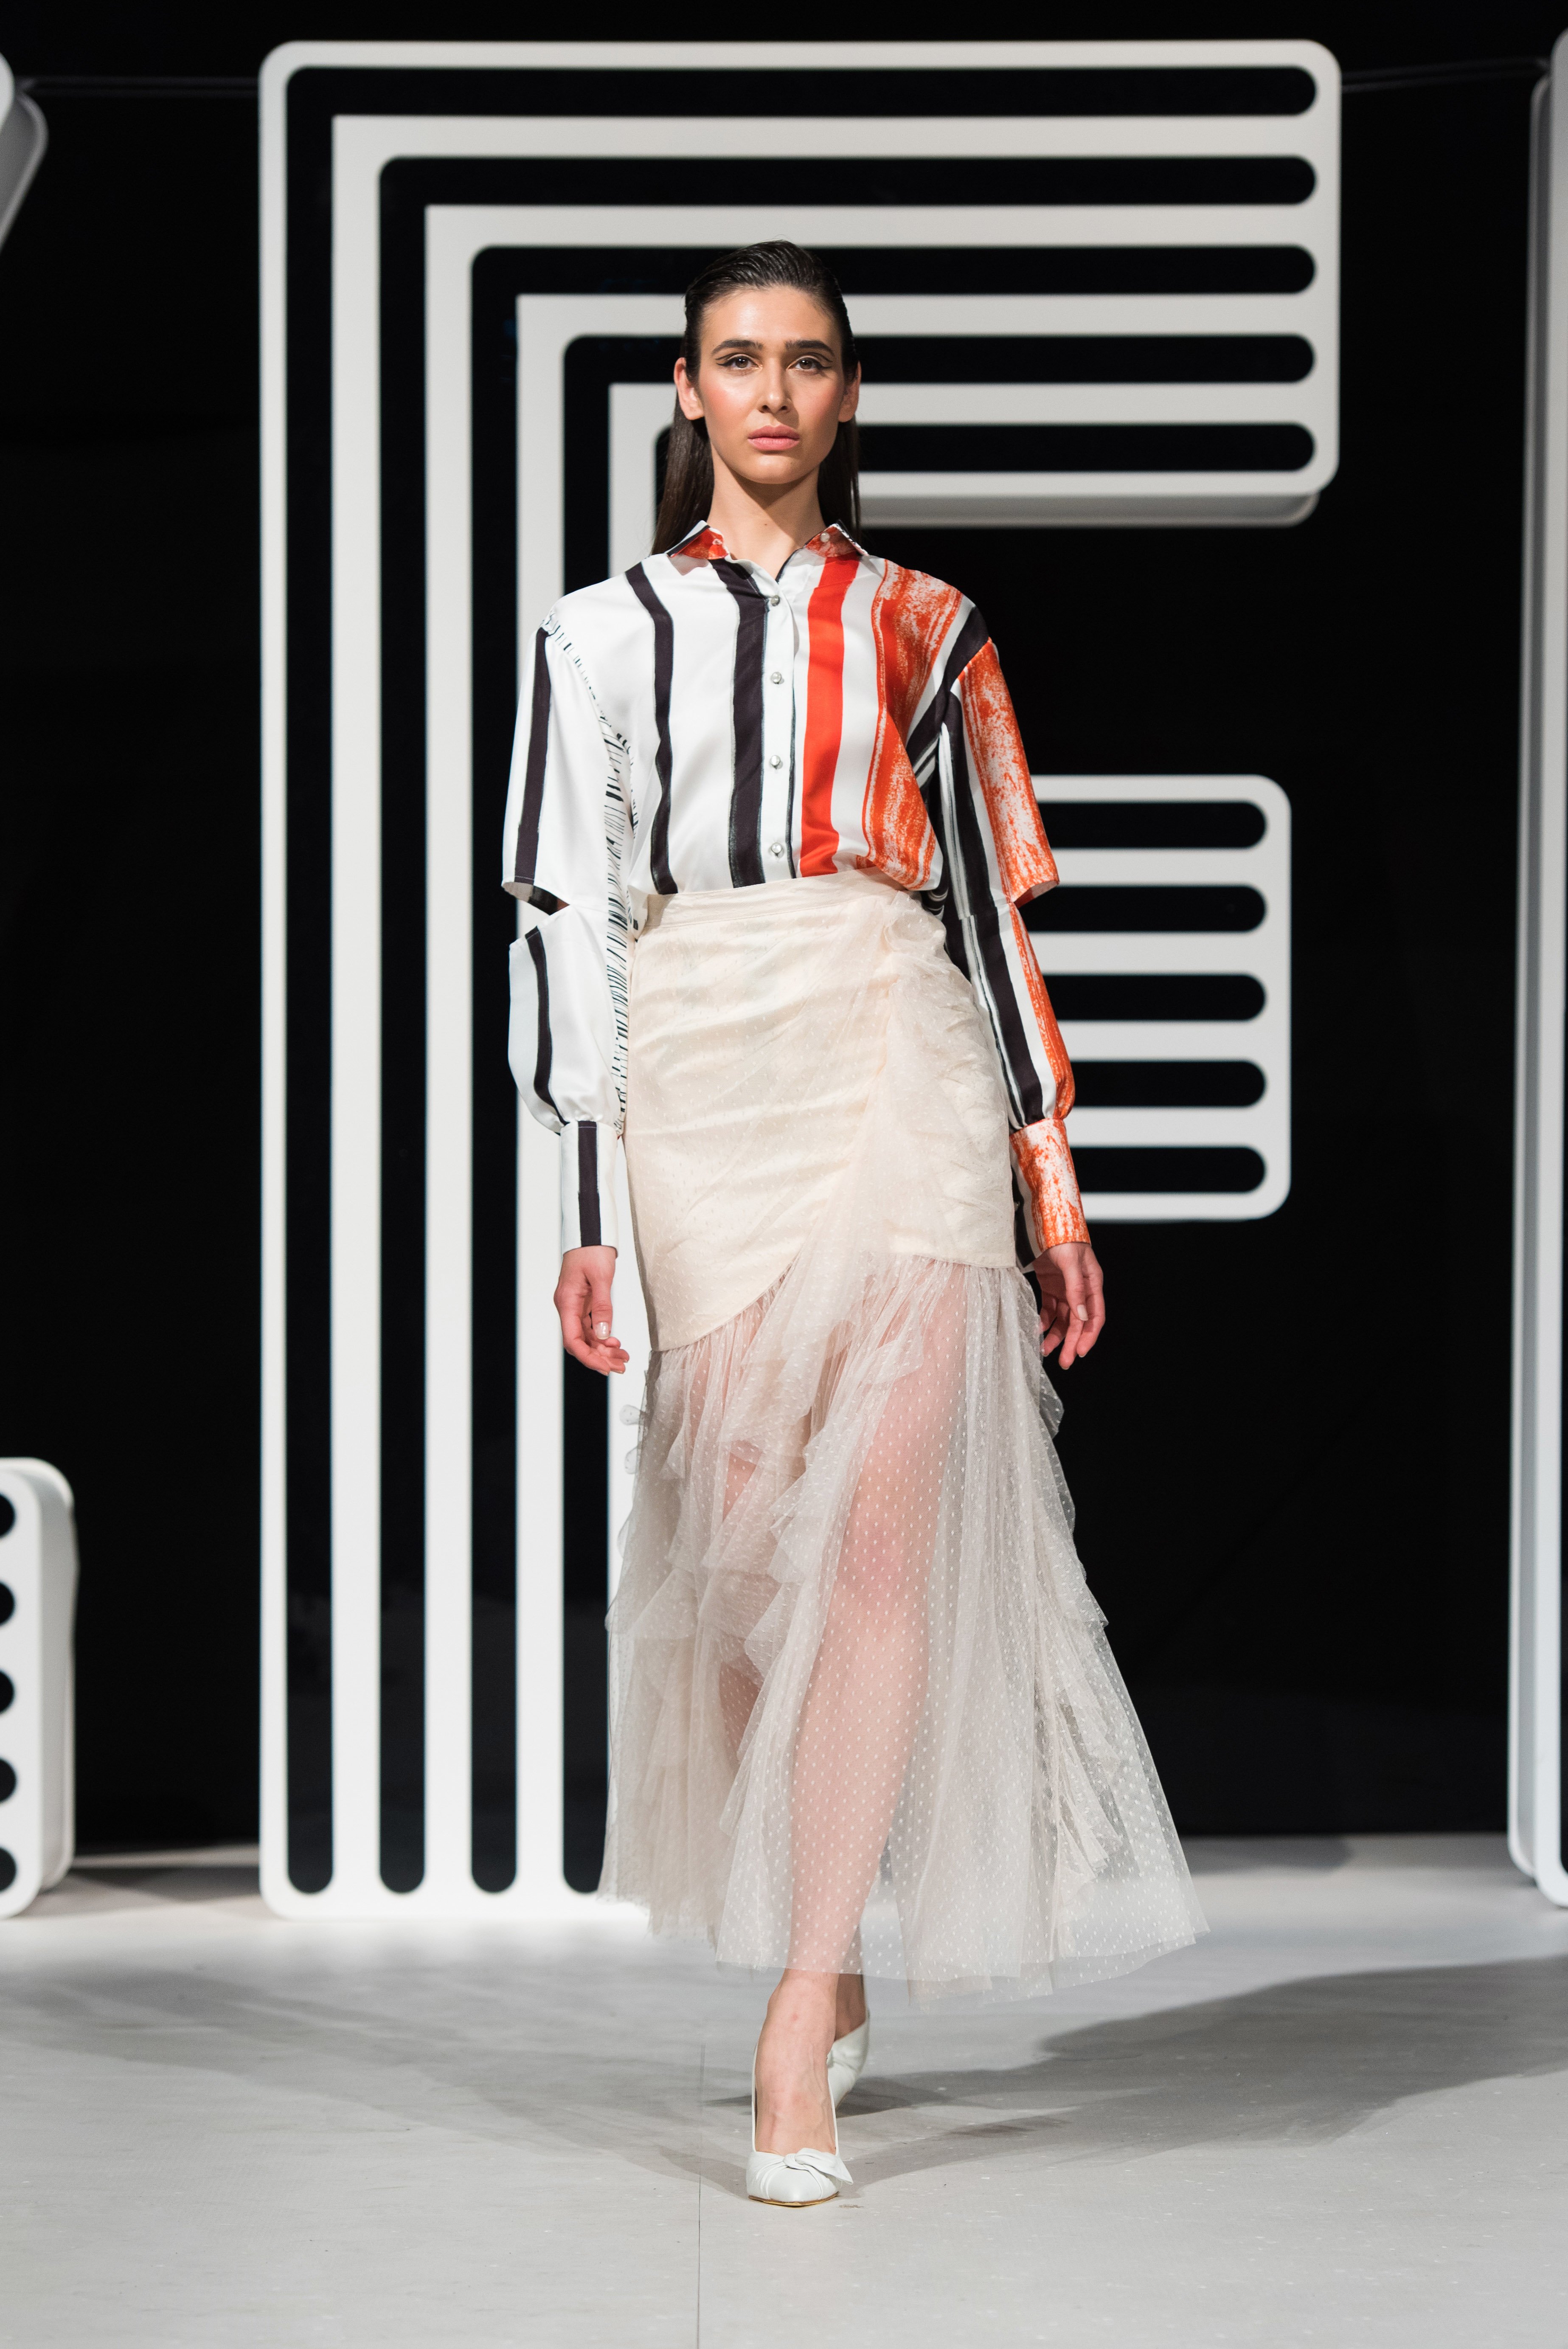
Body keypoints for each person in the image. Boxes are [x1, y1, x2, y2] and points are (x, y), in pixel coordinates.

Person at [502, 241, 1204, 2206]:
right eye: (738, 359)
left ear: (848, 393)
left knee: (883, 1535)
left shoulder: (931, 626)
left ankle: (801, 1999)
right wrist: (586, 1205)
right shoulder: (597, 636)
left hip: (894, 1038)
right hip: (702, 1063)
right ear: (685, 387)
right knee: (744, 1554)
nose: (773, 393)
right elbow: (570, 920)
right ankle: (823, 1902)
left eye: (806, 360)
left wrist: (1049, 1176)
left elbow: (988, 910)